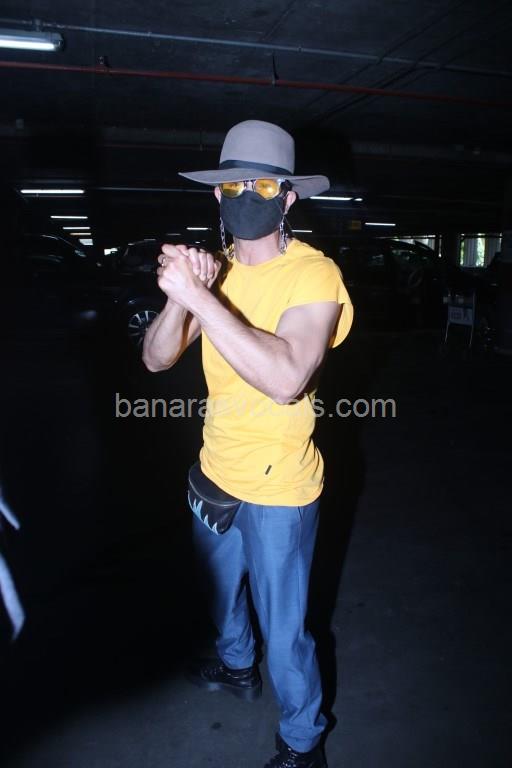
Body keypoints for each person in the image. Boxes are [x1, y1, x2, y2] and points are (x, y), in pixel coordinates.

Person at [142, 120, 353, 768]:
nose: (246, 197)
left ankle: (303, 743)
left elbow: (287, 379)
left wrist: (202, 299)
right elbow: (155, 359)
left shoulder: (314, 275)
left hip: (280, 488)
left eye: (262, 186)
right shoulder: (217, 272)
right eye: (233, 185)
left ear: (288, 198)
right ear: (216, 194)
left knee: (285, 634)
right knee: (218, 597)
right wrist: (180, 299)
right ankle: (236, 666)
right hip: (215, 470)